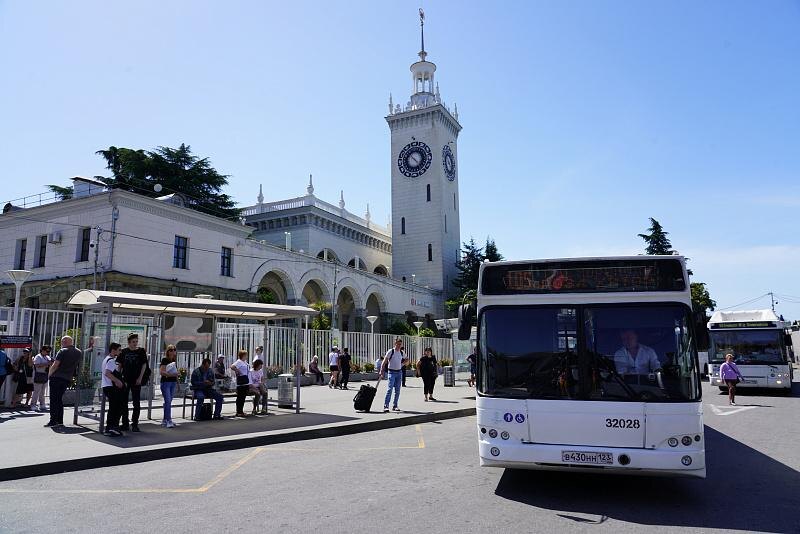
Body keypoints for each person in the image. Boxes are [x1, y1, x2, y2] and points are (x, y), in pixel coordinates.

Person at [45, 335, 82, 428]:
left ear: (65, 342)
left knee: (54, 400)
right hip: (67, 378)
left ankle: (53, 420)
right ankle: (60, 420)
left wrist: (49, 374)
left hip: (56, 377)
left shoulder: (62, 351)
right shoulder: (78, 352)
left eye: (62, 342)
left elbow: (55, 365)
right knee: (59, 399)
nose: (61, 344)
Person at [118, 333, 148, 432]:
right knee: (123, 402)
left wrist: (140, 378)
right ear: (129, 342)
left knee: (136, 403)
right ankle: (125, 423)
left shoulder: (141, 351)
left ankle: (135, 423)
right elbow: (120, 366)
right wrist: (119, 378)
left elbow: (144, 365)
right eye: (133, 342)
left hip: (136, 380)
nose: (135, 344)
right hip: (126, 380)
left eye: (136, 341)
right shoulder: (124, 352)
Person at [101, 343, 125, 437]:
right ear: (113, 350)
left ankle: (110, 427)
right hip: (111, 387)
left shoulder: (106, 359)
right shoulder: (110, 360)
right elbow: (108, 373)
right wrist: (117, 381)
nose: (120, 351)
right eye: (119, 350)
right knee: (116, 408)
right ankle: (112, 427)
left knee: (113, 407)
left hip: (107, 386)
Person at [380, 338, 405, 413]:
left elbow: (407, 359)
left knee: (397, 390)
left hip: (399, 372)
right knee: (390, 389)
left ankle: (395, 405)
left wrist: (402, 364)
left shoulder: (401, 352)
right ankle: (386, 406)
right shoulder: (391, 351)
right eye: (397, 344)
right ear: (395, 344)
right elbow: (384, 361)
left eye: (400, 344)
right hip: (391, 372)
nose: (399, 345)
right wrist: (381, 370)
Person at [160, 344, 179, 428]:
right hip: (166, 383)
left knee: (169, 402)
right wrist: (171, 375)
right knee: (168, 401)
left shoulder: (174, 360)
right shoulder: (165, 360)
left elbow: (176, 374)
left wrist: (178, 384)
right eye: (171, 350)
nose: (173, 351)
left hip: (173, 383)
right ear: (167, 351)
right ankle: (169, 420)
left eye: (174, 350)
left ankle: (165, 420)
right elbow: (162, 372)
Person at [30, 345, 52, 412]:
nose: (47, 352)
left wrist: (50, 363)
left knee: (42, 391)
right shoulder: (38, 356)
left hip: (45, 375)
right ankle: (33, 404)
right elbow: (36, 365)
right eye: (46, 351)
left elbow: (50, 364)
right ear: (42, 350)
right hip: (38, 375)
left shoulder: (47, 357)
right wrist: (46, 364)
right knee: (36, 391)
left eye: (49, 351)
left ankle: (42, 404)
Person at [230, 349, 251, 417]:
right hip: (241, 381)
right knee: (240, 397)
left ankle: (241, 411)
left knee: (243, 397)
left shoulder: (244, 362)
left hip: (245, 381)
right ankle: (239, 412)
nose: (247, 356)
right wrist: (237, 370)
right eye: (246, 355)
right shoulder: (239, 361)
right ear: (243, 355)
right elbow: (232, 366)